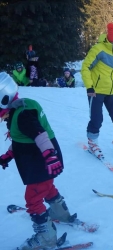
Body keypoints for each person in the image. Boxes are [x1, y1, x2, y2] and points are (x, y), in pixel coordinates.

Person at [0, 72, 76, 249]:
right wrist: (8, 156)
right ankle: (63, 215)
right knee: (48, 188)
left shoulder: (23, 115)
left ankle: (46, 238)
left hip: (41, 164)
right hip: (43, 163)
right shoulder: (22, 109)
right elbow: (21, 141)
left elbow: (39, 134)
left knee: (33, 199)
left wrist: (50, 156)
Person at [81, 23, 113, 159]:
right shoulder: (98, 49)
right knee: (96, 119)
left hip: (112, 91)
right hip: (96, 91)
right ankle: (92, 143)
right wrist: (89, 87)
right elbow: (85, 68)